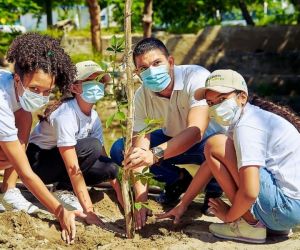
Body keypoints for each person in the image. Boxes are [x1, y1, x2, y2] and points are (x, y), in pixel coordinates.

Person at [158, 69, 300, 243]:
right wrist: (183, 205)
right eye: (210, 103)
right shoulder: (248, 119)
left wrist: (229, 215)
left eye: (222, 99)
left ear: (242, 97)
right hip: (289, 212)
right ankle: (267, 225)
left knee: (214, 143)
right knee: (215, 146)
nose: (216, 107)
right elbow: (209, 164)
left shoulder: (247, 127)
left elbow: (250, 192)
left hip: (284, 209)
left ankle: (248, 224)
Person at [110, 37, 226, 230]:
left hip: (207, 141)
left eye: (157, 63)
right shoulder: (141, 96)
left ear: (170, 62)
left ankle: (214, 189)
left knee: (216, 148)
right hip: (172, 140)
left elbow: (196, 130)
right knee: (121, 149)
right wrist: (141, 201)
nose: (152, 71)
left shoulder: (196, 76)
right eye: (144, 68)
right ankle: (178, 180)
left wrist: (154, 154)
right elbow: (140, 149)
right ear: (137, 73)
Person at [0, 32, 85, 244]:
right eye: (34, 89)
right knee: (13, 155)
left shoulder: (15, 91)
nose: (40, 95)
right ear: (17, 79)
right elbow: (26, 173)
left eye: (46, 91)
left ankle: (9, 190)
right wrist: (60, 211)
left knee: (25, 116)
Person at [26, 61, 123, 225]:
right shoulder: (66, 113)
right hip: (40, 165)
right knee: (92, 145)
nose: (97, 85)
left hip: (65, 159)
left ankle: (65, 186)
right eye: (90, 81)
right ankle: (63, 189)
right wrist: (89, 211)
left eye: (100, 80)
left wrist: (121, 194)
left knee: (110, 167)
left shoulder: (93, 116)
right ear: (74, 87)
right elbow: (73, 166)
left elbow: (102, 156)